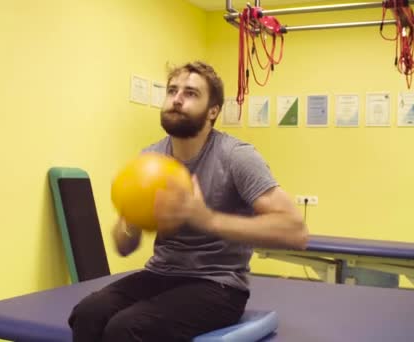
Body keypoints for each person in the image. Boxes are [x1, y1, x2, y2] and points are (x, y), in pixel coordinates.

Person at [68, 61, 308, 342]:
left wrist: (207, 219)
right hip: (160, 274)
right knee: (87, 313)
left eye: (191, 93)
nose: (177, 98)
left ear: (213, 111)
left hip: (219, 285)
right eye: (172, 91)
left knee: (126, 328)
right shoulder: (150, 158)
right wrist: (131, 219)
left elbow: (295, 231)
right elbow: (124, 246)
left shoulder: (236, 157)